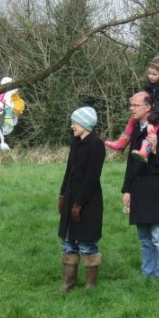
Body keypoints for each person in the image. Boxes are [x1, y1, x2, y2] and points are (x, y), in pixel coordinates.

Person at [122, 91, 159, 280]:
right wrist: (127, 189)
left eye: (135, 105)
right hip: (139, 190)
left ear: (148, 107)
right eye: (131, 105)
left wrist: (156, 150)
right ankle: (148, 275)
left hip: (158, 191)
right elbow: (131, 162)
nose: (131, 108)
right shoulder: (136, 130)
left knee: (158, 237)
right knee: (144, 239)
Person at [58, 106, 106, 292]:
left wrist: (79, 205)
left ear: (85, 124)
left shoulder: (96, 144)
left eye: (74, 123)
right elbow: (68, 171)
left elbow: (91, 178)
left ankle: (90, 286)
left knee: (87, 244)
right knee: (68, 242)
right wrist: (62, 195)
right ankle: (68, 283)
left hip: (88, 203)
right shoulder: (75, 142)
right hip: (70, 198)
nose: (72, 126)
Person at [105, 56, 159, 164]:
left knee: (151, 129)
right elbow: (147, 97)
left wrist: (151, 121)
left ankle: (145, 150)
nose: (151, 76)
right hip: (153, 112)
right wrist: (135, 99)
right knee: (132, 120)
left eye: (154, 74)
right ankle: (121, 144)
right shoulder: (151, 85)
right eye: (149, 73)